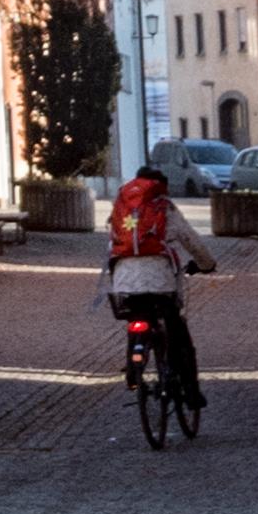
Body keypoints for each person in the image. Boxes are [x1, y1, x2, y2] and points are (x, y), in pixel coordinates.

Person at [101, 156, 213, 415]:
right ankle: (191, 392)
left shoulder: (121, 210)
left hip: (124, 286)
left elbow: (111, 246)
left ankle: (134, 366)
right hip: (162, 287)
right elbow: (191, 241)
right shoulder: (165, 208)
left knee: (137, 318)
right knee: (179, 338)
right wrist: (206, 264)